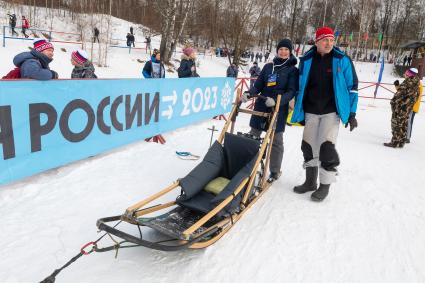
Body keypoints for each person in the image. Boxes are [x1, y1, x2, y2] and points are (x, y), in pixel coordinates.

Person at [291, 26, 358, 202]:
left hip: (331, 112)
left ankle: (324, 186)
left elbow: (353, 88)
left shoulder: (341, 59)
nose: (328, 43)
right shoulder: (306, 60)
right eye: (324, 40)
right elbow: (299, 86)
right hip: (311, 111)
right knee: (308, 146)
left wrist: (351, 113)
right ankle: (310, 182)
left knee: (326, 148)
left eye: (331, 40)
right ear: (317, 41)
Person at [241, 38, 299, 182]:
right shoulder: (268, 67)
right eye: (281, 49)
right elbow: (259, 85)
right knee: (253, 135)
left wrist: (279, 100)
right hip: (261, 105)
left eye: (286, 49)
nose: (283, 52)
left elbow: (292, 91)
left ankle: (274, 170)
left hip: (278, 108)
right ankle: (247, 166)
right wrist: (249, 93)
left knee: (276, 140)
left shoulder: (293, 70)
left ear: (290, 52)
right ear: (277, 51)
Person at [384, 68, 420, 148]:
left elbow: (400, 94)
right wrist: (398, 86)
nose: (405, 74)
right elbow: (409, 95)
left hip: (400, 108)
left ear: (409, 74)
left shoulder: (407, 83)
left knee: (397, 124)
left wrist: (395, 103)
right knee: (403, 124)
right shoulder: (416, 84)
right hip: (407, 108)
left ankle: (395, 142)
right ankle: (401, 142)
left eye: (406, 73)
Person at [406, 76, 423, 143]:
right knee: (409, 121)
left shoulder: (417, 84)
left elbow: (414, 96)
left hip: (413, 106)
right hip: (412, 106)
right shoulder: (417, 83)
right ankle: (407, 136)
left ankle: (407, 137)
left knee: (409, 121)